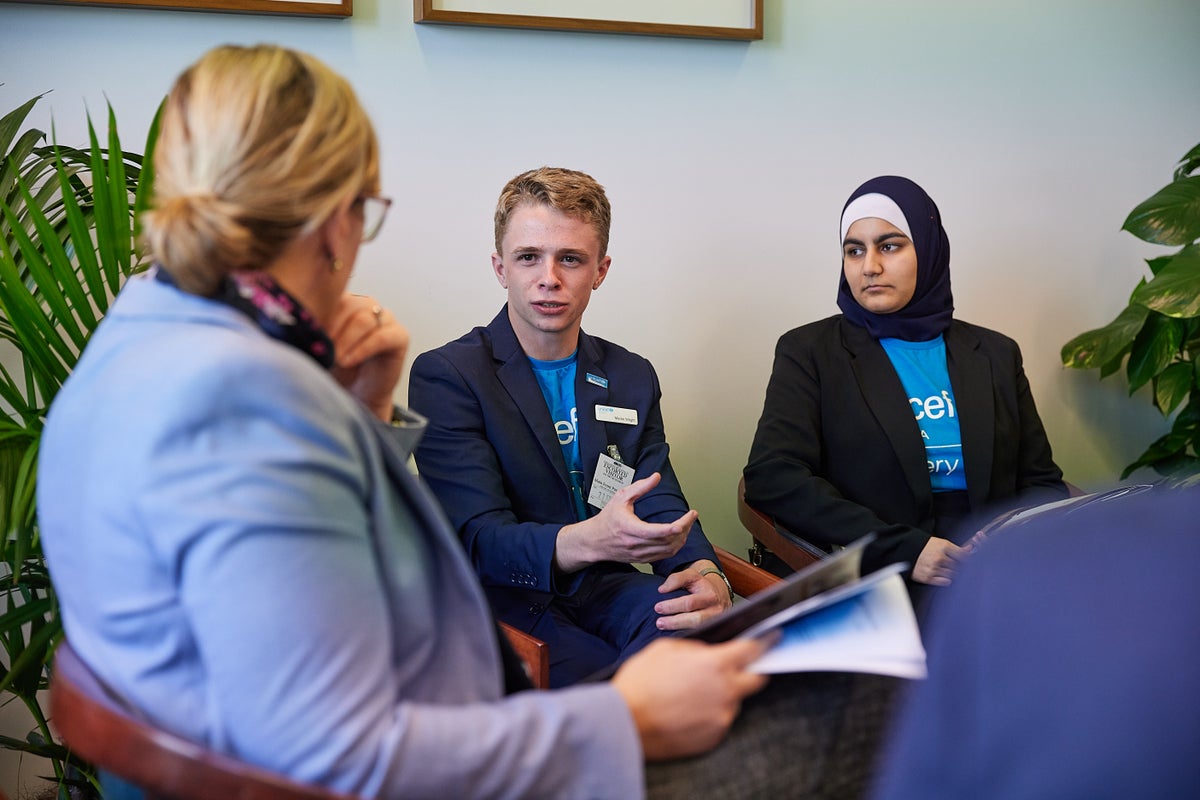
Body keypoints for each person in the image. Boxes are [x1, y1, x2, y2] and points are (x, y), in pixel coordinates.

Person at [36, 45, 782, 799]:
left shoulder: (143, 339)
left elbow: (328, 561)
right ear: (335, 220)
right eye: (367, 213)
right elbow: (345, 756)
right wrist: (626, 722)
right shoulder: (241, 404)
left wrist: (362, 406)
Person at [408, 167, 732, 687]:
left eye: (571, 259)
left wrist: (706, 573)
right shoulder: (448, 376)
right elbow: (478, 540)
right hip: (503, 601)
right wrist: (591, 540)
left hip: (605, 588)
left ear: (600, 270)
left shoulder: (630, 374)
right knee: (614, 687)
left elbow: (658, 494)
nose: (549, 278)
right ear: (500, 267)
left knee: (697, 639)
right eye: (529, 257)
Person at [743, 175, 1068, 600]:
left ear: (929, 250)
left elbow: (1042, 482)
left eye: (889, 245)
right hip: (883, 573)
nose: (870, 266)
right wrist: (904, 549)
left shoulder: (994, 353)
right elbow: (773, 477)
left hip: (996, 570)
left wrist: (1005, 543)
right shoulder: (810, 352)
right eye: (854, 250)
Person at [871, 484, 1200, 799]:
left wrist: (1004, 536)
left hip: (998, 557)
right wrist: (908, 548)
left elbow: (1043, 482)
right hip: (901, 567)